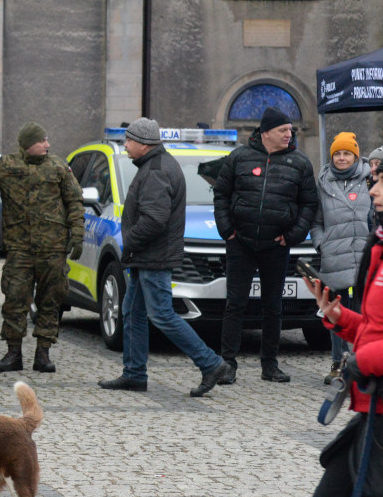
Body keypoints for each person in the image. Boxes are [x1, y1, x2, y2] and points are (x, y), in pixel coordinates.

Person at [97, 118, 231, 395]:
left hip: (153, 257)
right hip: (145, 257)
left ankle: (211, 363)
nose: (125, 145)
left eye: (129, 140)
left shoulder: (156, 170)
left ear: (144, 144)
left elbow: (154, 220)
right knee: (132, 313)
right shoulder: (153, 165)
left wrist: (129, 242)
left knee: (162, 315)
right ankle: (134, 374)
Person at [296, 164, 383, 497]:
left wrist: (362, 361)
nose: (374, 190)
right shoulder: (378, 247)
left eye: (381, 182)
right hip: (370, 419)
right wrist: (339, 319)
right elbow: (375, 327)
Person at [0, 121, 84, 373]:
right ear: (28, 144)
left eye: (47, 140)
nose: (47, 145)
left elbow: (75, 202)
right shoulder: (8, 166)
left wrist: (77, 234)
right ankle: (13, 354)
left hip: (53, 250)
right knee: (14, 299)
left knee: (51, 300)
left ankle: (43, 354)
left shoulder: (59, 168)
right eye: (41, 141)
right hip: (20, 249)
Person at [213, 106, 317, 384]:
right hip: (241, 243)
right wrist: (227, 230)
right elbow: (221, 194)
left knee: (273, 306)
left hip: (276, 244)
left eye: (290, 130)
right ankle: (227, 364)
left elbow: (309, 204)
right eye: (283, 130)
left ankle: (269, 365)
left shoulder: (300, 162)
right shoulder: (239, 157)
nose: (289, 134)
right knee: (235, 304)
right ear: (266, 132)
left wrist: (293, 234)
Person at [310, 132, 372, 384]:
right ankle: (337, 362)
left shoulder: (369, 180)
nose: (342, 158)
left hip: (363, 256)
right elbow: (317, 221)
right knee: (336, 312)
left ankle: (359, 362)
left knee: (362, 313)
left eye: (347, 153)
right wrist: (321, 244)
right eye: (338, 153)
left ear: (355, 156)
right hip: (334, 257)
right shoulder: (324, 183)